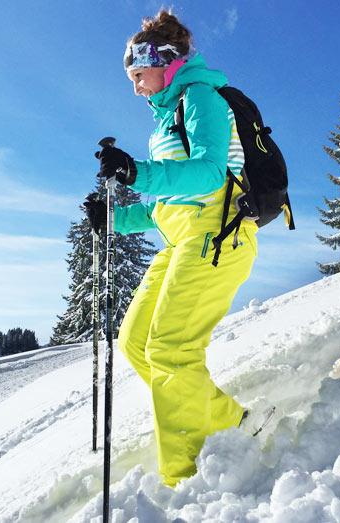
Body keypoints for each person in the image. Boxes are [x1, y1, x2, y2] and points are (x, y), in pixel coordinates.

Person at [88, 9, 257, 487]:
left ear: (164, 63)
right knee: (135, 342)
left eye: (138, 76)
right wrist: (114, 218)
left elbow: (208, 174)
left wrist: (135, 171)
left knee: (169, 347)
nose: (136, 88)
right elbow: (166, 204)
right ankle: (231, 423)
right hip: (183, 237)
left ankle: (184, 481)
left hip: (219, 233)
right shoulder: (164, 121)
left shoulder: (200, 97)